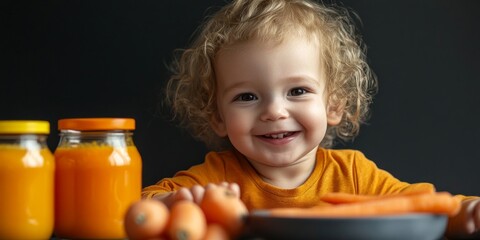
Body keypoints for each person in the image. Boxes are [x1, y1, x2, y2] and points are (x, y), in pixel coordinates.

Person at [142, 0, 480, 238]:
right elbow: (141, 207)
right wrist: (175, 203)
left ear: (333, 105)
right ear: (217, 116)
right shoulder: (217, 178)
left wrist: (466, 212)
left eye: (298, 91)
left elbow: (422, 205)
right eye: (247, 97)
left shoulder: (354, 175)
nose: (274, 111)